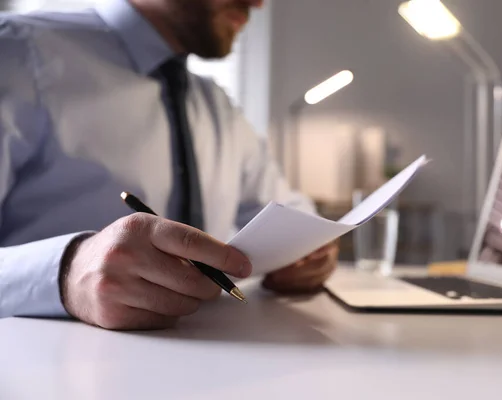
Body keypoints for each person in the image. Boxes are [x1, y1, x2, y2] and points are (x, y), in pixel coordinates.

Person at [0, 0, 339, 330]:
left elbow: (289, 213)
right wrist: (64, 273)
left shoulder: (216, 104)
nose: (258, 3)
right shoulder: (14, 52)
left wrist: (307, 254)